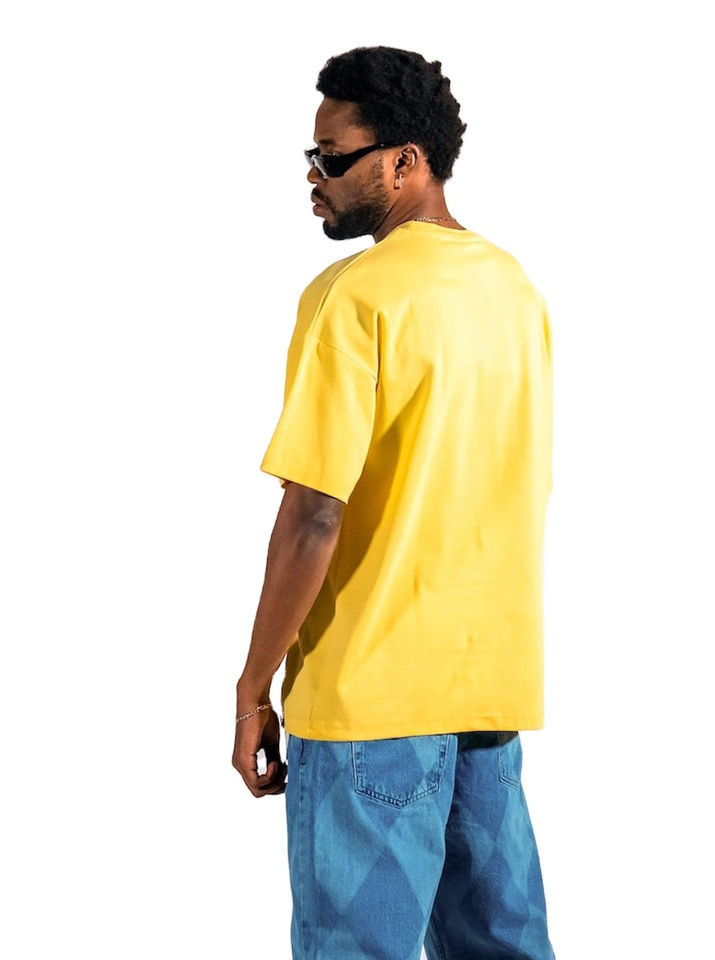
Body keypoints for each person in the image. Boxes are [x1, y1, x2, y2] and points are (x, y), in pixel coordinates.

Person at [232, 45, 555, 960]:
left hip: (370, 701)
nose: (314, 176)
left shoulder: (354, 297)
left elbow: (314, 513)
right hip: (488, 693)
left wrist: (254, 687)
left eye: (333, 157)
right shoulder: (513, 289)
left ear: (405, 161)